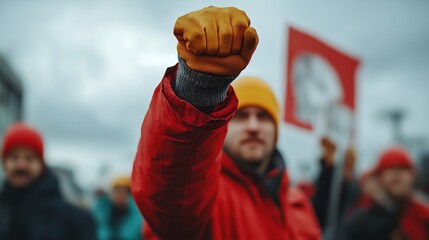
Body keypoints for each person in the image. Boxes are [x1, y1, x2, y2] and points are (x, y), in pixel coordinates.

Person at [131, 6, 321, 240]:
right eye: (241, 116)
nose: (253, 126)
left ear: (276, 130)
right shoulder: (201, 195)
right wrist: (199, 88)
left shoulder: (298, 204)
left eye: (263, 117)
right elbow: (168, 202)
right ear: (224, 124)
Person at [0, 122, 96, 240]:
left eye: (29, 158)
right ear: (4, 163)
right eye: (14, 157)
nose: (21, 165)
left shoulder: (76, 221)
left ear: (41, 164)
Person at [342, 146, 429, 240]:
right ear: (379, 177)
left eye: (403, 168)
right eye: (390, 168)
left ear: (412, 175)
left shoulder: (423, 215)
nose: (397, 173)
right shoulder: (360, 223)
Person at [93, 175, 143, 240]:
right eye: (117, 191)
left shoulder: (139, 216)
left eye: (124, 192)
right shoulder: (101, 213)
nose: (119, 195)